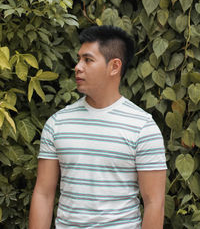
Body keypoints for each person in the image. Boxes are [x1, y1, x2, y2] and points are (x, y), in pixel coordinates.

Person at [29, 25, 167, 229]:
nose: (78, 67)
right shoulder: (58, 123)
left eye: (88, 60)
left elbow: (155, 203)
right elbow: (43, 193)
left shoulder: (143, 127)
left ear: (114, 66)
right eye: (79, 59)